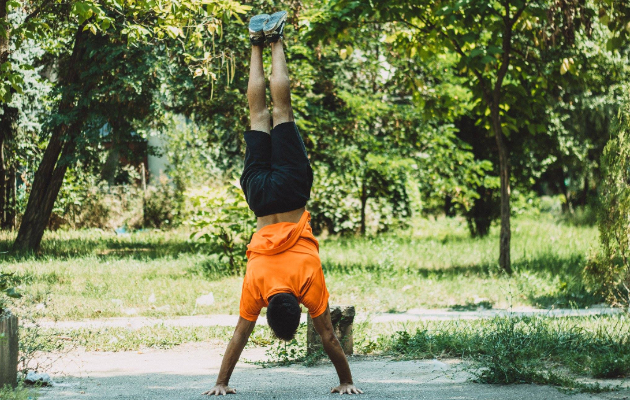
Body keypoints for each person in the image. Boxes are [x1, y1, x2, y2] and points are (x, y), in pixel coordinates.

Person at [202, 10, 363, 397]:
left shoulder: (308, 278)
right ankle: (255, 43)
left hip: (291, 192)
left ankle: (274, 39)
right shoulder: (256, 286)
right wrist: (220, 383)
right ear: (272, 311)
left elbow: (327, 337)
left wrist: (347, 382)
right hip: (259, 199)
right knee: (258, 116)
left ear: (297, 307)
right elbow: (240, 334)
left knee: (281, 112)